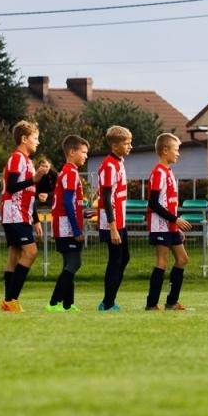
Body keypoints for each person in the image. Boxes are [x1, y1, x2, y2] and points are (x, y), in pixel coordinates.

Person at [145, 133, 193, 311]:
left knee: (182, 259)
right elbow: (153, 203)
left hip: (170, 225)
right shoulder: (158, 172)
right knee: (162, 262)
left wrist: (175, 225)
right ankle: (151, 304)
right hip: (160, 225)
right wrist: (175, 220)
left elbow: (168, 202)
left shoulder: (168, 172)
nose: (178, 153)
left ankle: (171, 302)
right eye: (176, 150)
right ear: (165, 151)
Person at [0, 121, 42, 312]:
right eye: (35, 138)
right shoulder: (17, 158)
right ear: (24, 139)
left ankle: (8, 302)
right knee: (31, 252)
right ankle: (11, 299)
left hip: (21, 214)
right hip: (14, 213)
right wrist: (33, 179)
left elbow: (29, 192)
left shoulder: (27, 161)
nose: (38, 142)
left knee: (14, 256)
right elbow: (11, 187)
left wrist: (35, 219)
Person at [47, 135, 89, 312]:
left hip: (64, 225)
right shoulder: (70, 172)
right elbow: (67, 203)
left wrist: (84, 213)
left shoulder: (68, 172)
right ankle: (54, 303)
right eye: (84, 152)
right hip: (67, 227)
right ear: (72, 152)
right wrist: (76, 229)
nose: (86, 156)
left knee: (68, 264)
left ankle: (68, 304)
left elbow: (71, 204)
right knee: (74, 263)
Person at [97, 126, 132, 312]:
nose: (130, 146)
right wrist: (112, 227)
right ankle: (108, 303)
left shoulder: (119, 163)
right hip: (112, 222)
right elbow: (106, 197)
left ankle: (109, 300)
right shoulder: (109, 165)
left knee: (124, 257)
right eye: (126, 143)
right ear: (115, 145)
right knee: (116, 259)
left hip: (120, 221)